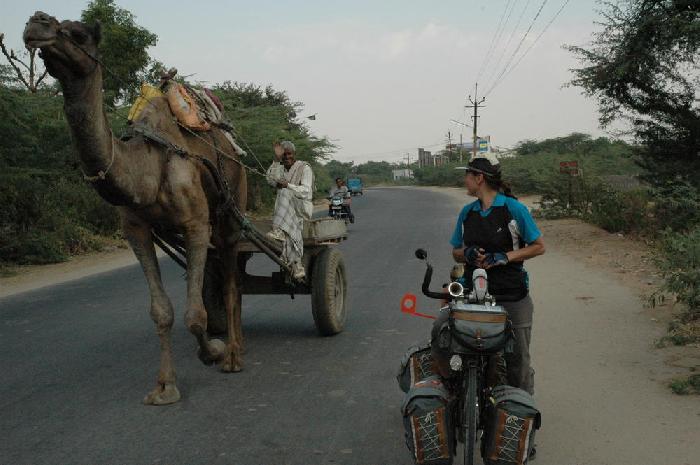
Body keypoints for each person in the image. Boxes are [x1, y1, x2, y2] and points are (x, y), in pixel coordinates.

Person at [432, 152, 545, 396]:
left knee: (518, 361)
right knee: (442, 332)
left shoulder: (513, 209)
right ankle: (451, 392)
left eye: (467, 175)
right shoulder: (467, 212)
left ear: (479, 178)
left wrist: (505, 256)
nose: (465, 181)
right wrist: (468, 253)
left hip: (511, 293)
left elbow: (538, 246)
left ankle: (521, 410)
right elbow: (456, 252)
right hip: (473, 292)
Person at [265, 141, 314, 280]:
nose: (286, 157)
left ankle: (279, 231)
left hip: (300, 208)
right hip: (285, 211)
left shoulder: (304, 168)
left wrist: (288, 185)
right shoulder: (280, 168)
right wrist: (275, 160)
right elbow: (270, 180)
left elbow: (306, 191)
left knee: (285, 192)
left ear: (294, 154)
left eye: (289, 154)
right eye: (283, 155)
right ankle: (296, 264)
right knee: (283, 192)